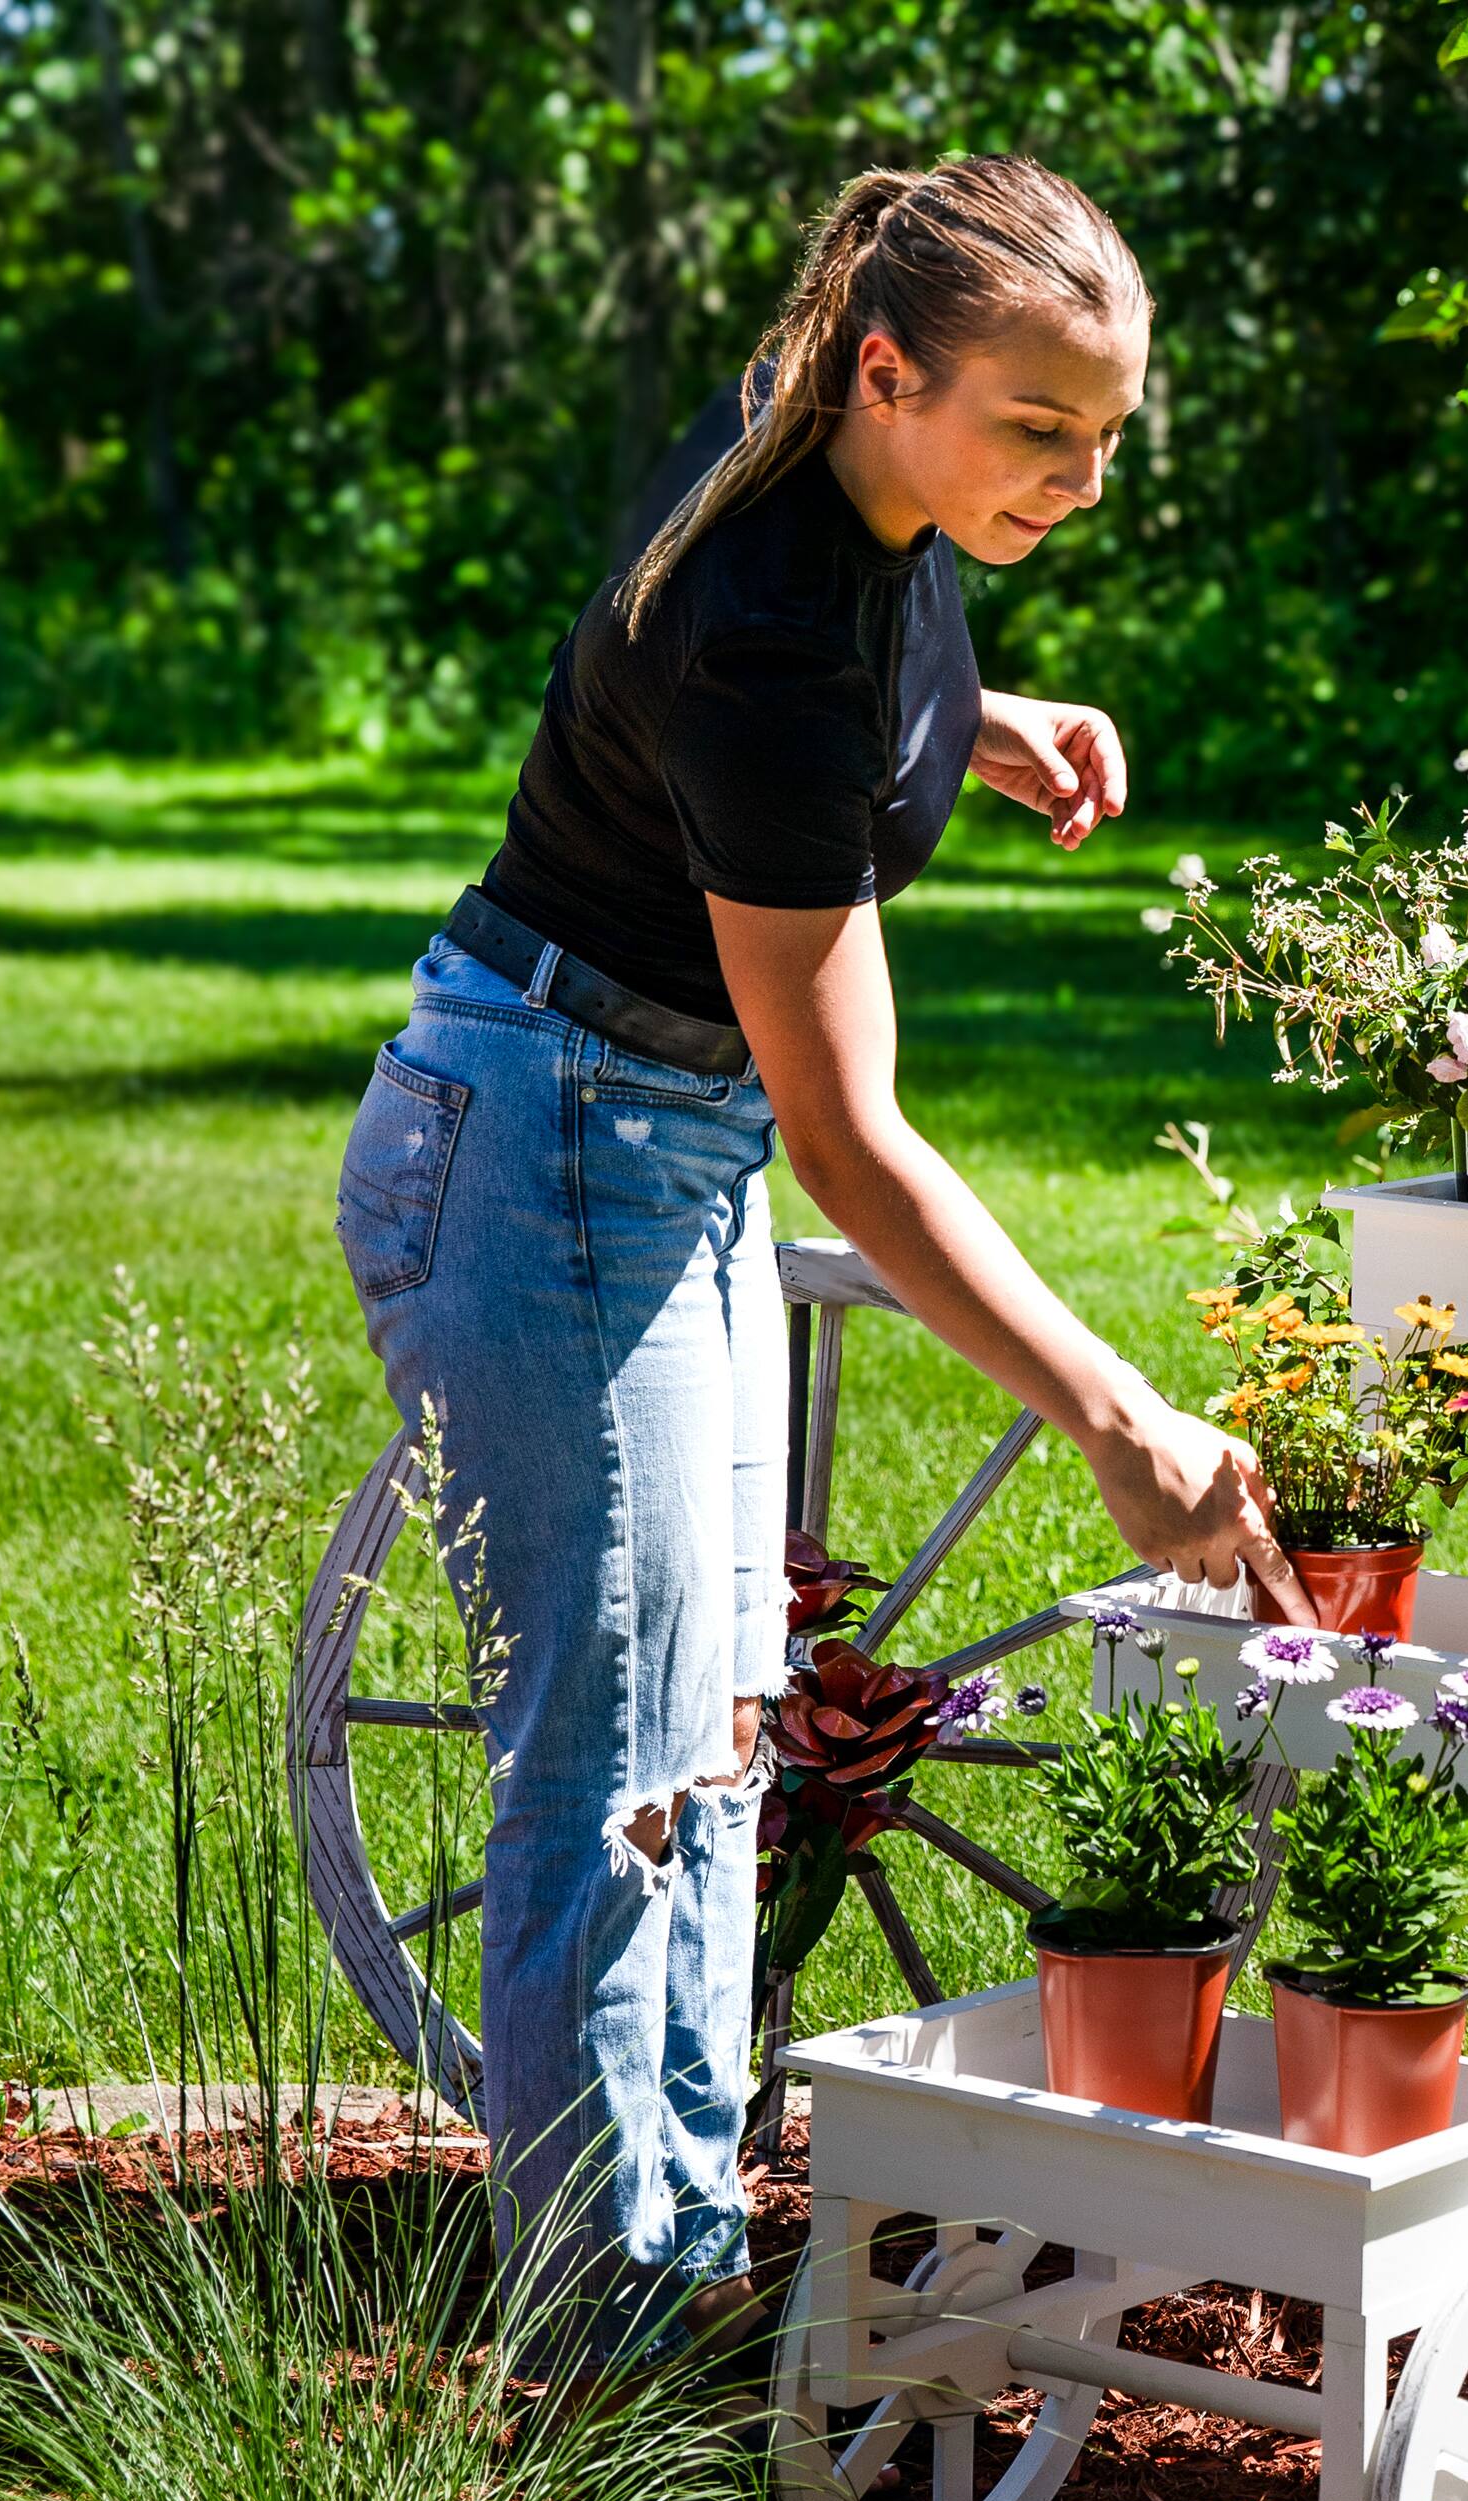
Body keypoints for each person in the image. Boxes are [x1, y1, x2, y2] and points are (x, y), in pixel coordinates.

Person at [332, 153, 1307, 2382]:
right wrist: (1116, 1413)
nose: (1075, 481)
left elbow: (839, 671)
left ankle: (665, 2284)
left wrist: (977, 718)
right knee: (616, 1775)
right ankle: (609, 2384)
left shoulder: (836, 448)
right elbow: (857, 1142)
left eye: (1107, 437)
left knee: (708, 1739)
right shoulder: (766, 621)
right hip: (560, 1145)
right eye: (1036, 433)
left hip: (631, 1132)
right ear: (889, 373)